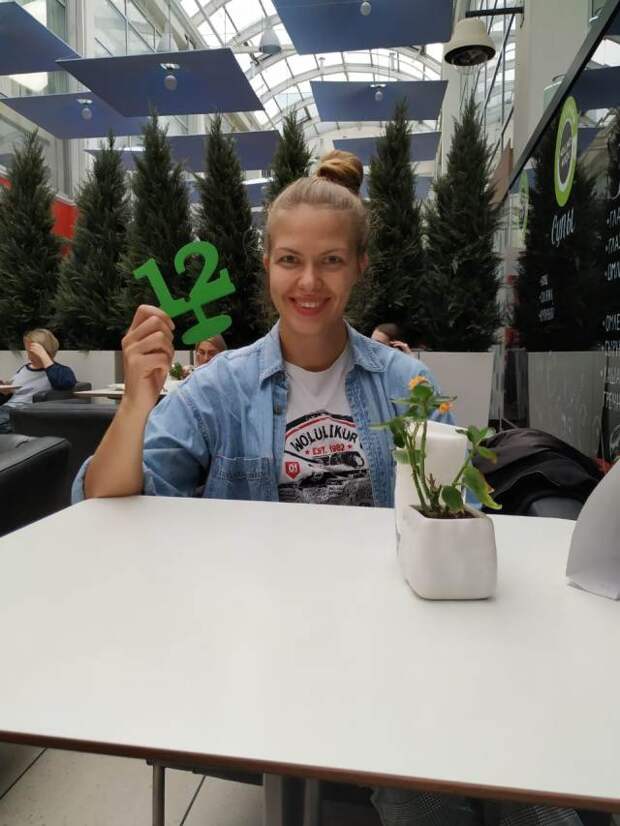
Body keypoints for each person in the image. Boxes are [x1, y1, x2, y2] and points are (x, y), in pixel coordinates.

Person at [72, 150, 581, 826]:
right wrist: (138, 401)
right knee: (432, 756)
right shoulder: (221, 389)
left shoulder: (406, 384)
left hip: (390, 637)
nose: (309, 282)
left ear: (359, 266)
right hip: (256, 636)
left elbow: (451, 514)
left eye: (331, 261)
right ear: (267, 265)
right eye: (290, 260)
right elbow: (100, 503)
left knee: (504, 748)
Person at [0, 328, 76, 433]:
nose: (29, 356)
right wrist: (4, 392)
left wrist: (45, 357)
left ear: (45, 351)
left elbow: (65, 384)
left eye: (32, 352)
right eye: (28, 352)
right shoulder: (24, 369)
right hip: (5, 410)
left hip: (21, 413)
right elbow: (11, 396)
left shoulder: (61, 371)